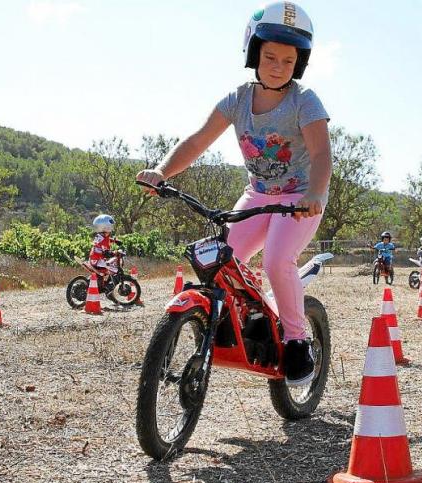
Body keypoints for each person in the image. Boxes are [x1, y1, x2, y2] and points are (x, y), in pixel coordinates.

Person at [135, 2, 331, 386]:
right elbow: (197, 141)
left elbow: (322, 154)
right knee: (220, 261)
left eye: (288, 60)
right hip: (258, 195)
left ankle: (296, 340)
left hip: (299, 199)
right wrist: (161, 172)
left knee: (277, 260)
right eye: (270, 56)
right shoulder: (237, 100)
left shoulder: (305, 101)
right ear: (253, 52)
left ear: (300, 64)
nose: (278, 66)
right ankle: (254, 317)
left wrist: (315, 194)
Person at [88, 214, 121, 285]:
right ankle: (109, 285)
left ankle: (104, 283)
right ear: (105, 227)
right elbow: (106, 252)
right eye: (110, 226)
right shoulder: (102, 240)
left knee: (109, 265)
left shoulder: (100, 236)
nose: (111, 228)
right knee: (115, 269)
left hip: (95, 258)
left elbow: (107, 239)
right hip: (97, 260)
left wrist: (115, 241)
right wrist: (114, 253)